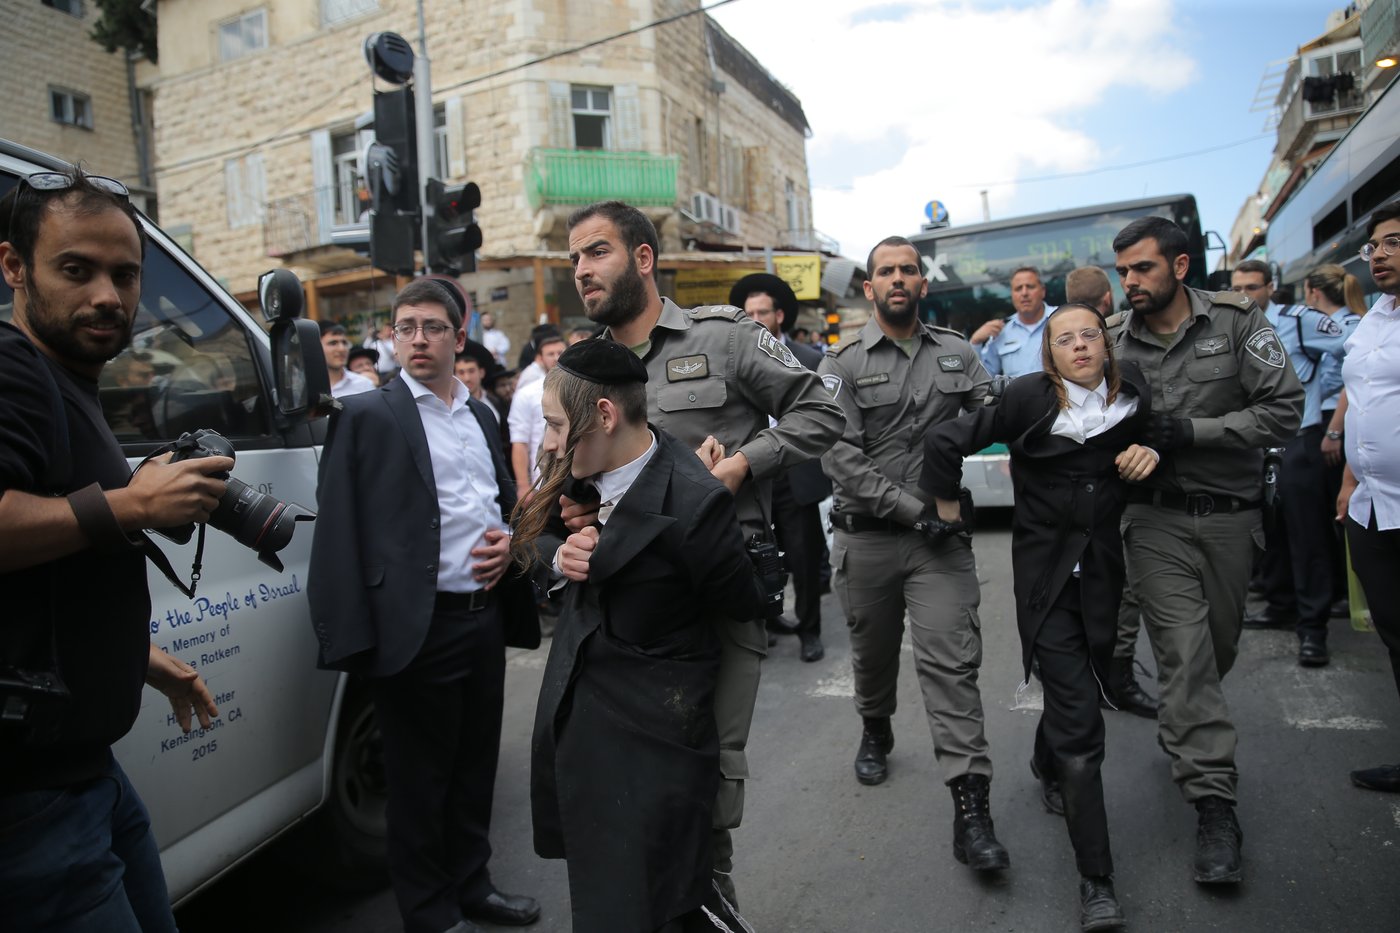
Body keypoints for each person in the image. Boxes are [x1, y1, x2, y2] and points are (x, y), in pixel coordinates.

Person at [565, 200, 844, 905]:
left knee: (709, 768)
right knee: (638, 776)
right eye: (574, 259)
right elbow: (567, 471)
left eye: (596, 251)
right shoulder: (584, 365)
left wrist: (742, 465)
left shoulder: (724, 336)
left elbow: (822, 410)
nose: (581, 270)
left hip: (720, 582)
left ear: (643, 258)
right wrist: (572, 514)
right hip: (626, 600)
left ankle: (710, 900)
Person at [0, 168, 227, 931]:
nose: (107, 295)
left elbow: (47, 578)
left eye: (124, 275)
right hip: (31, 801)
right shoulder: (13, 367)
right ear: (13, 267)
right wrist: (133, 504)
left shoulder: (67, 377)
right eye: (77, 269)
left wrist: (142, 658)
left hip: (82, 771)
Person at [307, 278, 541, 933]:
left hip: (482, 618)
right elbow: (339, 529)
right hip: (415, 627)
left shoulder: (480, 414)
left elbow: (497, 501)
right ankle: (430, 912)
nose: (417, 338)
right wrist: (354, 641)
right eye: (405, 327)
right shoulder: (366, 415)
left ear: (458, 337)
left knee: (474, 767)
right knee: (417, 782)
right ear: (391, 336)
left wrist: (511, 544)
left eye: (432, 327)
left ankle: (473, 885)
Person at [922, 303, 1158, 931]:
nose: (1079, 346)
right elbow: (945, 441)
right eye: (1064, 339)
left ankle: (1045, 760)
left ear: (1105, 344)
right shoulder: (1026, 399)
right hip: (1045, 584)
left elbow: (1161, 434)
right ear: (1048, 355)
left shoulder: (1133, 392)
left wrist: (1149, 452)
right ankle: (1097, 882)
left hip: (1102, 579)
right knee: (1083, 727)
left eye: (1089, 335)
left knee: (1082, 681)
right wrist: (948, 509)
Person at [515, 339, 761, 932]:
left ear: (604, 415)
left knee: (662, 898)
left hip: (654, 739)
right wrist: (560, 558)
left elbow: (739, 602)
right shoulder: (572, 465)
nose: (549, 442)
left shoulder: (695, 502)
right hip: (579, 723)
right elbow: (527, 538)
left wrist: (636, 533)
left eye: (556, 425)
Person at [1111, 216, 1302, 884]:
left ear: (1180, 265)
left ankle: (1186, 732)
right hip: (1152, 521)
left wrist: (1193, 431)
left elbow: (1284, 412)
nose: (1131, 282)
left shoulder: (1238, 322)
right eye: (1123, 271)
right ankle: (1215, 805)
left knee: (1212, 654)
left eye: (1143, 268)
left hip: (1230, 521)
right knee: (1186, 657)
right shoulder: (1112, 337)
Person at [818, 235, 1009, 872]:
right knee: (872, 658)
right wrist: (913, 509)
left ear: (923, 284)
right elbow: (839, 456)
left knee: (953, 666)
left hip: (939, 547)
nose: (897, 278)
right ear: (869, 287)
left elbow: (994, 415)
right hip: (868, 539)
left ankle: (972, 810)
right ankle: (875, 725)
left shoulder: (958, 352)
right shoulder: (841, 364)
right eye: (886, 271)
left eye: (908, 270)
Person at [1231, 259, 1349, 666]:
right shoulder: (1229, 325)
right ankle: (1281, 604)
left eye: (1252, 287)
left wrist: (1327, 391)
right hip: (1253, 445)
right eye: (1237, 288)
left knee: (1306, 537)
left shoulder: (1299, 321)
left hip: (1298, 440)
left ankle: (1313, 629)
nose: (1244, 296)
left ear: (1270, 287)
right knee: (1269, 531)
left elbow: (1353, 349)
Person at [1066, 266, 1157, 717]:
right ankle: (1110, 675)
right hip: (1114, 489)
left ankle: (1099, 672)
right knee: (1118, 586)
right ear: (1107, 300)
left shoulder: (1064, 342)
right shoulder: (1113, 339)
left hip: (1099, 488)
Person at [729, 272, 832, 662]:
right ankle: (769, 623)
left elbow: (823, 418)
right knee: (757, 556)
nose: (755, 319)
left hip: (797, 473)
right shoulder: (733, 360)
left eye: (762, 312)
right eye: (749, 313)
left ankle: (810, 630)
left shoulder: (810, 360)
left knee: (804, 558)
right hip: (752, 474)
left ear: (779, 316)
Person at [1336, 201, 1400, 794]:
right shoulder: (1376, 317)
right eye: (1373, 246)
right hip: (1373, 506)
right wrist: (1350, 478)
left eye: (1393, 242)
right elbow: (1359, 398)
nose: (1378, 255)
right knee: (1394, 634)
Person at [1310, 264, 1366, 614]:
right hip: (1336, 420)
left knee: (1341, 509)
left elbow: (1350, 383)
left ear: (1314, 293)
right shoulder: (1353, 322)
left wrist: (1334, 431)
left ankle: (1350, 590)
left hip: (1338, 420)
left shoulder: (1346, 326)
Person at [970, 265, 1058, 378]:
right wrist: (975, 342)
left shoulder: (1061, 318)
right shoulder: (1000, 331)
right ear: (1012, 294)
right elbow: (984, 377)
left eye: (1030, 287)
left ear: (1043, 291)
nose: (1024, 293)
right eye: (1018, 288)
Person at [508, 331, 567, 492]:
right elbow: (520, 442)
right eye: (550, 354)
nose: (556, 357)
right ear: (540, 358)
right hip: (542, 479)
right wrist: (523, 486)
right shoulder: (526, 394)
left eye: (560, 352)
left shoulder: (579, 389)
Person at [320, 321, 375, 398]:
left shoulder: (364, 384)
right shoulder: (306, 386)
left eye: (344, 343)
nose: (342, 349)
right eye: (333, 343)